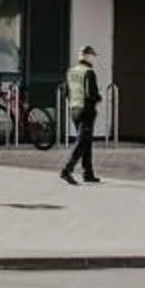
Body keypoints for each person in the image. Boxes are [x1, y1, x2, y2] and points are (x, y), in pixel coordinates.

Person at [60, 45, 103, 186]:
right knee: (82, 141)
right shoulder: (89, 72)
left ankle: (88, 172)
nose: (93, 59)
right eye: (92, 56)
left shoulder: (71, 71)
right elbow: (91, 94)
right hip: (86, 109)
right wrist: (98, 98)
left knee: (86, 141)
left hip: (74, 108)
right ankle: (67, 169)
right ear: (88, 56)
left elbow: (66, 91)